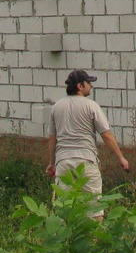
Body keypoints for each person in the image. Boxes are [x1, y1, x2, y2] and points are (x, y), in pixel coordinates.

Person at [47, 69, 129, 212]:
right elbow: (107, 136)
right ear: (80, 86)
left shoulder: (56, 107)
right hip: (86, 161)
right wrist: (121, 158)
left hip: (63, 162)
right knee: (94, 207)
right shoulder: (91, 106)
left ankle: (69, 233)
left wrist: (51, 163)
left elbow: (52, 138)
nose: (91, 86)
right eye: (88, 83)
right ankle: (95, 234)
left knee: (65, 207)